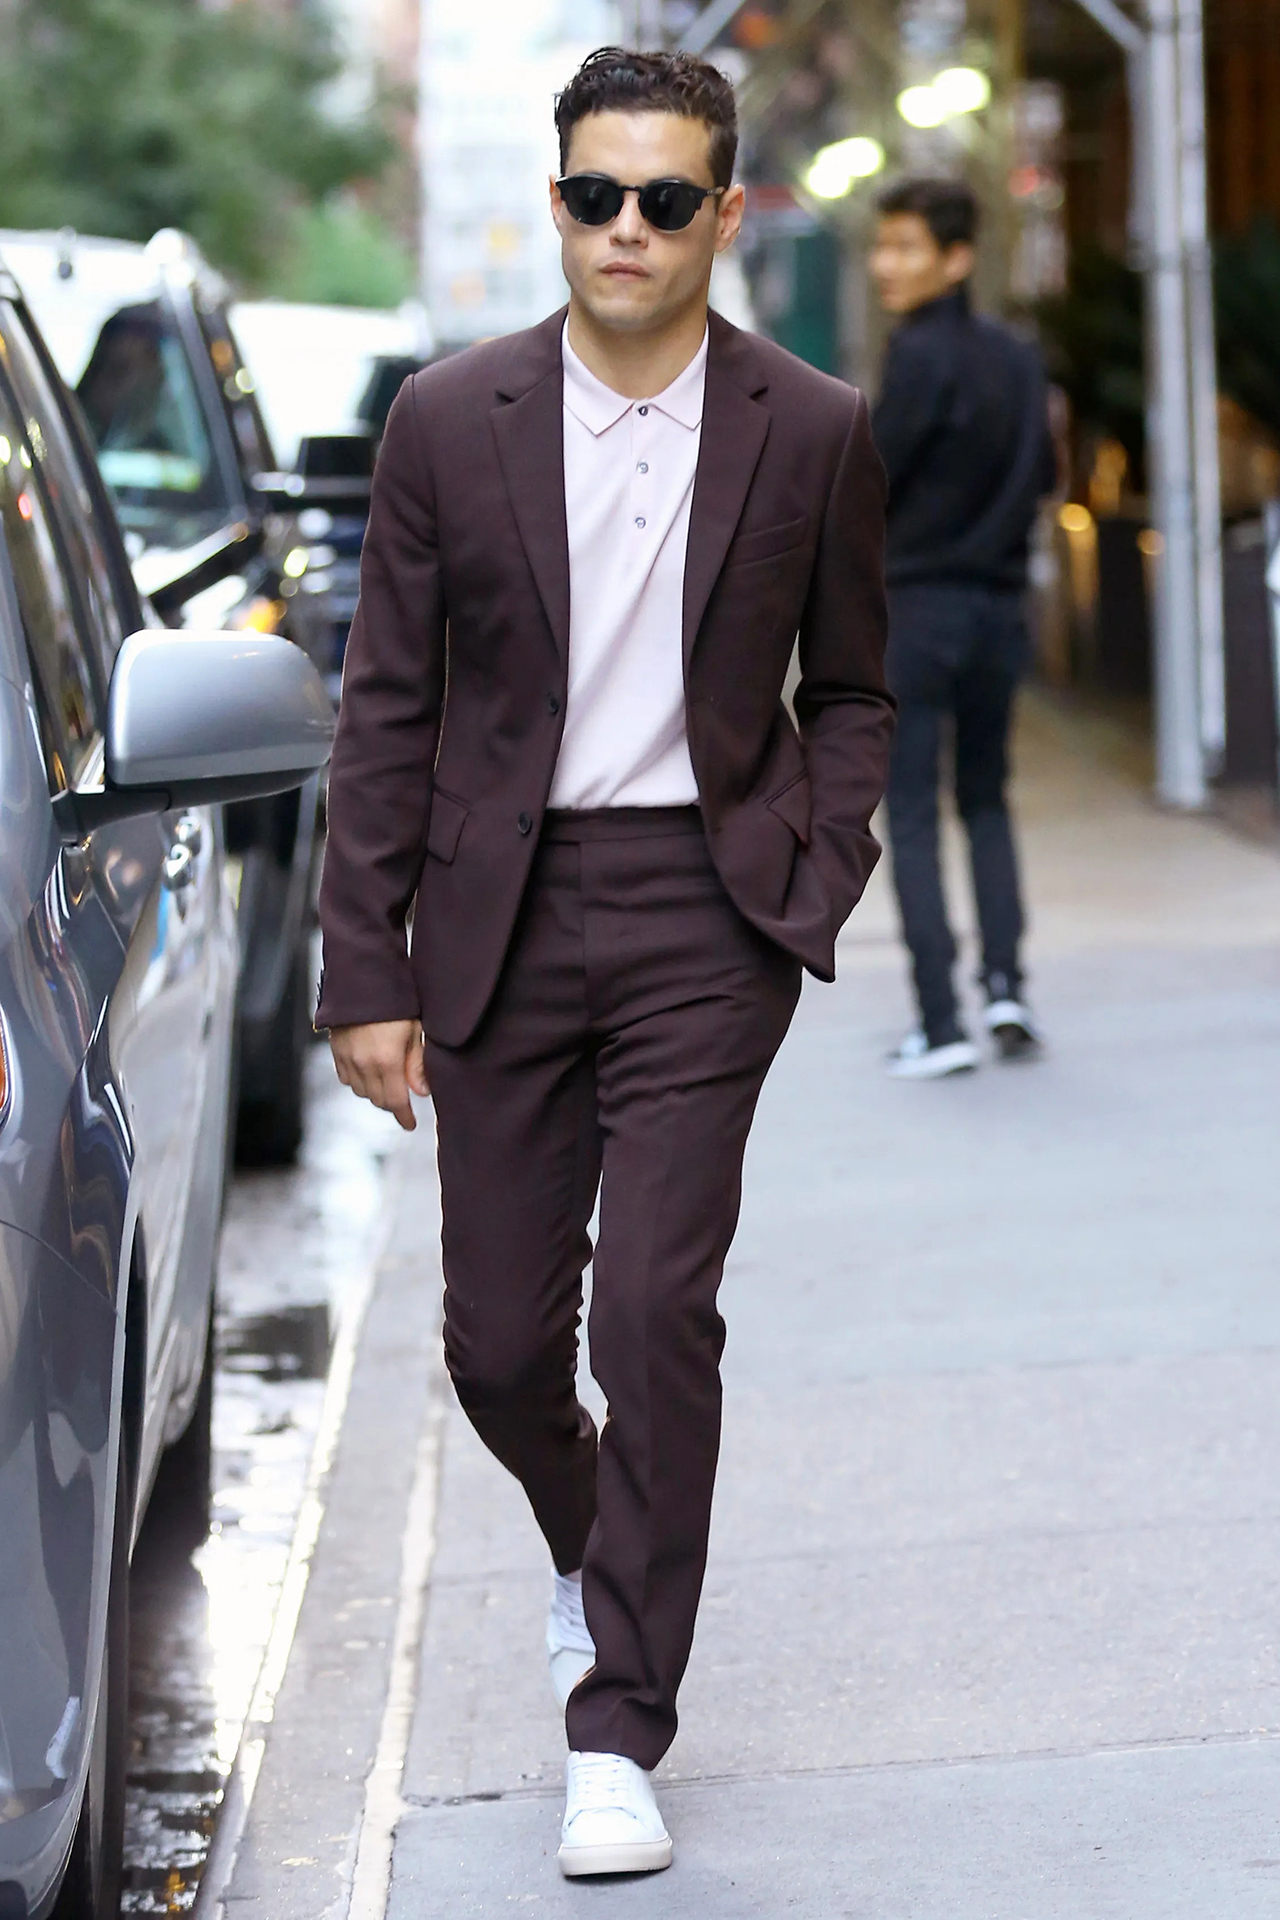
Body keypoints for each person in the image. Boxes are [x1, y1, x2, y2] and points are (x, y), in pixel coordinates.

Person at [317, 45, 892, 1878]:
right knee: (500, 1349)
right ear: (553, 198)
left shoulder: (811, 424)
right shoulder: (447, 420)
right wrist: (365, 966)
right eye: (593, 194)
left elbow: (859, 689)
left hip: (708, 918)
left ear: (726, 211)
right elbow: (386, 704)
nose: (624, 229)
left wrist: (819, 870)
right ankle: (600, 1540)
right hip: (500, 916)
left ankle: (616, 1723)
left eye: (663, 198)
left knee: (652, 1304)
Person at [869, 176, 1055, 1079]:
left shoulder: (915, 358)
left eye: (904, 248)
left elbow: (872, 478)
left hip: (916, 611)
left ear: (957, 258)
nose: (883, 266)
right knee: (985, 799)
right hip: (1000, 612)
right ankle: (1007, 987)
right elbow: (1045, 471)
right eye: (881, 246)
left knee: (908, 810)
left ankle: (940, 1023)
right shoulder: (1021, 359)